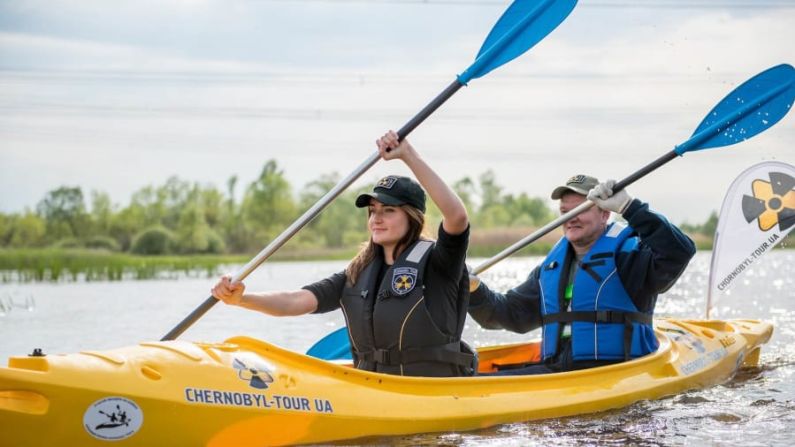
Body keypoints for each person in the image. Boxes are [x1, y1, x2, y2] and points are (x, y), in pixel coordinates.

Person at [212, 130, 475, 377]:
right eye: (372, 211)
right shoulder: (357, 272)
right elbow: (294, 301)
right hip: (373, 389)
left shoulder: (440, 262)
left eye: (388, 211)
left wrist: (408, 155)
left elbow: (457, 216)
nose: (376, 219)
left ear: (412, 217)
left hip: (432, 390)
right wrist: (242, 299)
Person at [468, 174, 696, 375]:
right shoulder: (550, 268)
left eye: (581, 210)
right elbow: (509, 314)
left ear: (605, 214)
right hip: (560, 372)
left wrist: (630, 207)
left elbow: (679, 251)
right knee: (471, 377)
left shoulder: (630, 258)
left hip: (616, 371)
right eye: (565, 212)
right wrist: (474, 289)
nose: (571, 218)